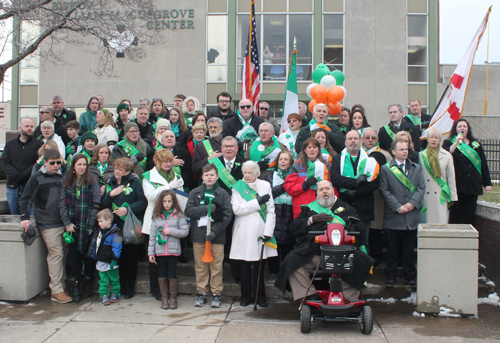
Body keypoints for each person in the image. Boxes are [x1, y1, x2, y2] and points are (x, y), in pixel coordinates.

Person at [275, 180, 369, 301]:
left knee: (361, 261)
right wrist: (311, 220)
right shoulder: (308, 209)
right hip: (315, 252)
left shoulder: (347, 208)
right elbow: (294, 227)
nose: (325, 191)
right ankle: (308, 296)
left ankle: (347, 299)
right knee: (291, 262)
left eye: (327, 188)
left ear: (333, 191)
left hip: (342, 253)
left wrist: (346, 230)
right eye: (321, 189)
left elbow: (359, 229)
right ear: (317, 194)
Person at [19, 149, 72, 303]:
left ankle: (61, 286)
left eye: (58, 163)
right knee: (56, 255)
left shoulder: (64, 177)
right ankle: (56, 290)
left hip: (64, 222)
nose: (56, 166)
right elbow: (25, 199)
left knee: (63, 254)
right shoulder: (36, 178)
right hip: (48, 224)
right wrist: (24, 217)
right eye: (52, 163)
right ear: (45, 163)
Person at [379, 139, 425, 287]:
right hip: (394, 215)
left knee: (409, 250)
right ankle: (391, 277)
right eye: (401, 149)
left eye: (406, 149)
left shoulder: (416, 168)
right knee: (392, 250)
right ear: (393, 152)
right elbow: (384, 190)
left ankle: (409, 276)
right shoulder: (386, 169)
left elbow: (421, 188)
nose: (405, 151)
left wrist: (412, 204)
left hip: (411, 216)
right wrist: (397, 206)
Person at [185, 164, 232, 308]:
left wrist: (215, 231)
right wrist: (205, 209)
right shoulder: (195, 192)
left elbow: (227, 215)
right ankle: (201, 292)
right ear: (202, 177)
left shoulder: (222, 193)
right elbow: (189, 211)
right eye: (206, 175)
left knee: (216, 266)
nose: (209, 177)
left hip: (217, 236)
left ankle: (216, 293)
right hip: (199, 235)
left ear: (217, 176)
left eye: (212, 175)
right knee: (200, 266)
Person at [230, 161, 276, 307]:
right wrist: (257, 202)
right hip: (243, 231)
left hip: (259, 231)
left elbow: (270, 211)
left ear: (257, 173)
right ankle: (245, 296)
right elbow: (237, 209)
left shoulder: (265, 185)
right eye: (245, 172)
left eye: (250, 173)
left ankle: (260, 296)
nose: (247, 175)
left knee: (259, 266)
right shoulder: (237, 187)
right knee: (244, 266)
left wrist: (268, 231)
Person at [101, 157, 148, 299]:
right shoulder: (111, 183)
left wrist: (127, 210)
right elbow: (104, 205)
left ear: (127, 171)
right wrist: (110, 194)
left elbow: (142, 202)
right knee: (118, 257)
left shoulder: (134, 182)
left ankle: (130, 287)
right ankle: (120, 285)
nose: (116, 171)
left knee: (131, 258)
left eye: (120, 169)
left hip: (131, 226)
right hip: (115, 226)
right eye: (115, 168)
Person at [141, 149, 184, 300]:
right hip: (155, 220)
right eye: (164, 161)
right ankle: (156, 290)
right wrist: (169, 187)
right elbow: (151, 197)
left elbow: (181, 197)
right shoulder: (148, 176)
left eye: (169, 161)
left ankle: (170, 292)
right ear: (157, 162)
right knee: (155, 259)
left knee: (170, 259)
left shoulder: (176, 175)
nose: (167, 164)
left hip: (173, 221)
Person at [59, 154, 101, 302]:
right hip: (73, 225)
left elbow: (96, 203)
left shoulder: (92, 182)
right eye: (79, 164)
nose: (82, 167)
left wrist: (90, 226)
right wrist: (67, 223)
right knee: (75, 256)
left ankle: (88, 283)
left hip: (88, 225)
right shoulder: (67, 182)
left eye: (84, 164)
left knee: (89, 257)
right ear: (73, 166)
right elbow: (62, 204)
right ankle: (76, 284)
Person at [330, 131, 380, 247]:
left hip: (363, 204)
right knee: (344, 239)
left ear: (360, 141)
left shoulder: (370, 159)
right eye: (350, 138)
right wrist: (356, 182)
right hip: (344, 204)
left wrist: (355, 192)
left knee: (363, 240)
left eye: (356, 138)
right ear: (345, 142)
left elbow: (374, 182)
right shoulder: (337, 159)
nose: (353, 141)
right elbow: (336, 179)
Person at [442, 118, 492, 225]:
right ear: (455, 129)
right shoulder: (448, 142)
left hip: (472, 184)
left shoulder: (476, 144)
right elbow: (446, 156)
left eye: (464, 126)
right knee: (455, 214)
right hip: (457, 184)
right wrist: (456, 143)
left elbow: (483, 163)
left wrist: (487, 182)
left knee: (469, 214)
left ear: (468, 129)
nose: (462, 128)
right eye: (459, 126)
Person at [148, 190, 189, 309]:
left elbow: (185, 231)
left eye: (169, 201)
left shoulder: (179, 215)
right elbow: (152, 236)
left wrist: (170, 231)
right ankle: (164, 297)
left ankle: (173, 298)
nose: (167, 204)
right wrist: (151, 253)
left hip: (173, 251)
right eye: (164, 201)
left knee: (172, 272)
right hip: (160, 251)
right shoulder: (156, 217)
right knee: (161, 272)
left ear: (173, 202)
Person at [362, 127, 392, 266]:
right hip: (361, 196)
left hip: (378, 196)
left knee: (376, 227)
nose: (370, 140)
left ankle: (376, 256)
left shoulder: (385, 155)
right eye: (367, 137)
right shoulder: (357, 153)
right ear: (362, 139)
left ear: (377, 140)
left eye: (373, 138)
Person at [264, 150, 295, 283]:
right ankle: (273, 272)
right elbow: (269, 194)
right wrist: (285, 186)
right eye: (281, 159)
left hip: (290, 211)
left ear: (290, 162)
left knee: (288, 245)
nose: (283, 162)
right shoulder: (270, 177)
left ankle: (285, 273)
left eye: (286, 159)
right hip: (275, 212)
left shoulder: (295, 176)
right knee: (274, 245)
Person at [2, 118, 43, 215]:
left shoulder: (38, 144)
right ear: (20, 128)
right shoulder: (10, 144)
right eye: (27, 126)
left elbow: (39, 163)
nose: (29, 128)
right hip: (13, 186)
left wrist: (25, 175)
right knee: (15, 217)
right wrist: (17, 175)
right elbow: (5, 162)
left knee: (32, 218)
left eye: (31, 126)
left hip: (31, 186)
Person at [284, 137, 330, 218]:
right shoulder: (297, 166)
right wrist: (304, 185)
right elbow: (288, 187)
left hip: (323, 207)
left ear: (319, 150)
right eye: (309, 147)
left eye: (315, 147)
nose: (312, 150)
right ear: (305, 150)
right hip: (302, 209)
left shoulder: (326, 166)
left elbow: (333, 188)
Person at [420, 127, 458, 224]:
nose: (434, 140)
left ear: (440, 140)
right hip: (426, 197)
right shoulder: (421, 155)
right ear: (427, 139)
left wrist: (453, 197)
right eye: (431, 137)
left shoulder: (447, 156)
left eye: (436, 137)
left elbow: (451, 177)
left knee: (440, 224)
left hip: (441, 196)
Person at [90, 209, 122, 306]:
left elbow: (117, 247)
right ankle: (103, 294)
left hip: (111, 261)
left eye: (101, 221)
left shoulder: (116, 233)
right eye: (98, 222)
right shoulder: (99, 232)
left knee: (114, 279)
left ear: (108, 221)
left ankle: (115, 293)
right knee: (103, 279)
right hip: (101, 260)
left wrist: (114, 259)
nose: (99, 224)